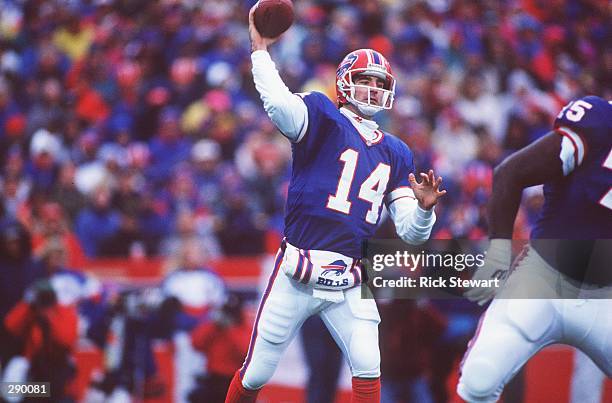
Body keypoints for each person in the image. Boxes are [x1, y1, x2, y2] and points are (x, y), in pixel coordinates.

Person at [225, 7, 446, 403]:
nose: (374, 89)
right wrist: (260, 51)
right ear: (344, 83)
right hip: (299, 267)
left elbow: (413, 235)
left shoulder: (396, 152)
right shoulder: (323, 114)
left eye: (380, 83)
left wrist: (426, 210)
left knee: (368, 366)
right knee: (256, 371)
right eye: (365, 80)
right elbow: (278, 104)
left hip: (348, 276)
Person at [459, 95, 612, 402]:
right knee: (480, 378)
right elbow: (510, 173)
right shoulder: (600, 120)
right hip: (543, 280)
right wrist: (498, 255)